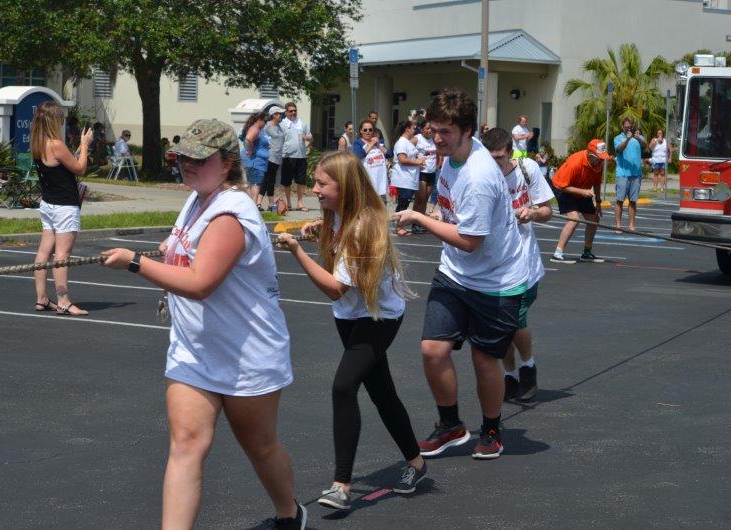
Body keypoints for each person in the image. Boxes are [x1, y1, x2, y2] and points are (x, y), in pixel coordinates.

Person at [101, 119, 307, 530]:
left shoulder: (230, 214)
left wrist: (136, 262)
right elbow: (191, 252)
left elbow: (200, 284)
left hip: (246, 355)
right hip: (194, 351)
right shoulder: (198, 199)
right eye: (183, 158)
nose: (188, 165)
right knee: (186, 445)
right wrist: (169, 248)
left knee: (260, 446)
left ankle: (289, 514)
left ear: (228, 163)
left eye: (200, 159)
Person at [278, 150, 427, 511]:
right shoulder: (339, 216)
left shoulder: (362, 228)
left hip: (378, 319)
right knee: (382, 393)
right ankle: (417, 463)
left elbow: (335, 288)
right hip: (350, 316)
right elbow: (339, 269)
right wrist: (319, 230)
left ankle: (341, 485)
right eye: (315, 182)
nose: (315, 190)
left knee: (344, 387)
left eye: (322, 184)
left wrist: (297, 251)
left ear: (344, 187)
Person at [393, 89, 529, 460]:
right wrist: (439, 213)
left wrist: (419, 217)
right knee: (432, 350)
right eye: (433, 130)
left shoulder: (479, 175)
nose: (437, 139)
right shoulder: (452, 155)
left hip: (496, 281)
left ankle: (491, 429)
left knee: (484, 360)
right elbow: (453, 213)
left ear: (467, 131)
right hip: (455, 273)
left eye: (446, 132)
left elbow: (469, 241)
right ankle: (451, 425)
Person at [481, 128, 554, 402]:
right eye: (490, 158)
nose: (494, 164)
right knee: (500, 325)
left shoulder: (527, 169)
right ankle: (510, 375)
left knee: (514, 319)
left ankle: (528, 367)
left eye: (499, 158)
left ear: (510, 152)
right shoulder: (480, 175)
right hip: (493, 263)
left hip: (524, 261)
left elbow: (546, 211)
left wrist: (532, 212)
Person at [30, 101, 93, 316]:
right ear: (53, 121)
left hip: (48, 203)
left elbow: (63, 166)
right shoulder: (56, 144)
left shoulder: (37, 143)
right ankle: (63, 301)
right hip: (64, 206)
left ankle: (42, 298)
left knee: (44, 251)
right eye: (60, 120)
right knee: (62, 254)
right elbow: (81, 169)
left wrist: (77, 150)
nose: (61, 123)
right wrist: (85, 145)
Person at [550, 139, 610, 264]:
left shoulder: (598, 165)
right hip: (562, 188)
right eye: (599, 158)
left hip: (582, 189)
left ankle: (586, 253)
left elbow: (596, 183)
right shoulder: (575, 163)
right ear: (590, 155)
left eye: (603, 158)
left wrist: (598, 202)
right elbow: (562, 186)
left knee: (593, 219)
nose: (601, 161)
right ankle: (557, 254)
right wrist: (582, 192)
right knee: (574, 219)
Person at [390, 119, 427, 236]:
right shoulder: (401, 142)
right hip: (403, 179)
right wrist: (417, 162)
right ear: (407, 129)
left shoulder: (408, 142)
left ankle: (400, 226)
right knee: (402, 204)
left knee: (405, 204)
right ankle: (398, 227)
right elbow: (403, 159)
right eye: (413, 128)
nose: (415, 130)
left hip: (410, 178)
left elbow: (410, 158)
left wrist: (418, 163)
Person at [279, 102, 312, 212]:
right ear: (286, 112)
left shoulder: (302, 123)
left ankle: (300, 203)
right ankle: (288, 203)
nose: (293, 112)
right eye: (291, 111)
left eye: (295, 110)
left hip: (301, 156)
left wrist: (306, 138)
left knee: (301, 181)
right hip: (287, 156)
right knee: (287, 181)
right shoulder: (282, 124)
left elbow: (311, 137)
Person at [613, 117, 645, 232]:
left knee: (633, 201)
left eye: (630, 127)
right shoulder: (618, 138)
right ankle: (618, 225)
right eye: (626, 127)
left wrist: (639, 138)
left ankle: (631, 225)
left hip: (636, 174)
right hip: (622, 174)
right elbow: (619, 149)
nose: (628, 129)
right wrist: (627, 139)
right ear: (623, 127)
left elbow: (646, 146)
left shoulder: (638, 137)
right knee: (620, 200)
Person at [351, 119, 389, 202]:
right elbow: (358, 155)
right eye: (365, 130)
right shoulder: (358, 143)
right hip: (366, 182)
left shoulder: (378, 142)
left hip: (380, 183)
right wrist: (371, 144)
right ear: (361, 131)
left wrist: (378, 145)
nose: (368, 132)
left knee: (381, 207)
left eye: (370, 130)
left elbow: (389, 154)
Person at [413, 118, 439, 232]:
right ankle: (415, 223)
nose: (429, 131)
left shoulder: (434, 139)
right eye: (427, 128)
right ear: (421, 129)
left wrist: (437, 166)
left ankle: (421, 223)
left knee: (425, 200)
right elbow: (406, 149)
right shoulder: (417, 139)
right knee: (420, 198)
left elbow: (439, 154)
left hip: (431, 172)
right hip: (421, 172)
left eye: (431, 129)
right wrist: (415, 162)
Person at [260, 106, 285, 211]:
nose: (281, 115)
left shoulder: (279, 126)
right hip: (269, 157)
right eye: (279, 113)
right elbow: (260, 137)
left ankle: (267, 204)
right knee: (268, 180)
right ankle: (264, 204)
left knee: (270, 180)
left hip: (277, 157)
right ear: (274, 115)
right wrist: (266, 145)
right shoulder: (267, 126)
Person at [242, 111, 269, 204]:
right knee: (256, 185)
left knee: (252, 184)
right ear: (259, 120)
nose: (266, 123)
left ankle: (250, 205)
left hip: (256, 162)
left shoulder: (256, 129)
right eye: (265, 121)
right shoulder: (255, 128)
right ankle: (253, 206)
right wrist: (250, 150)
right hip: (255, 162)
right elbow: (248, 139)